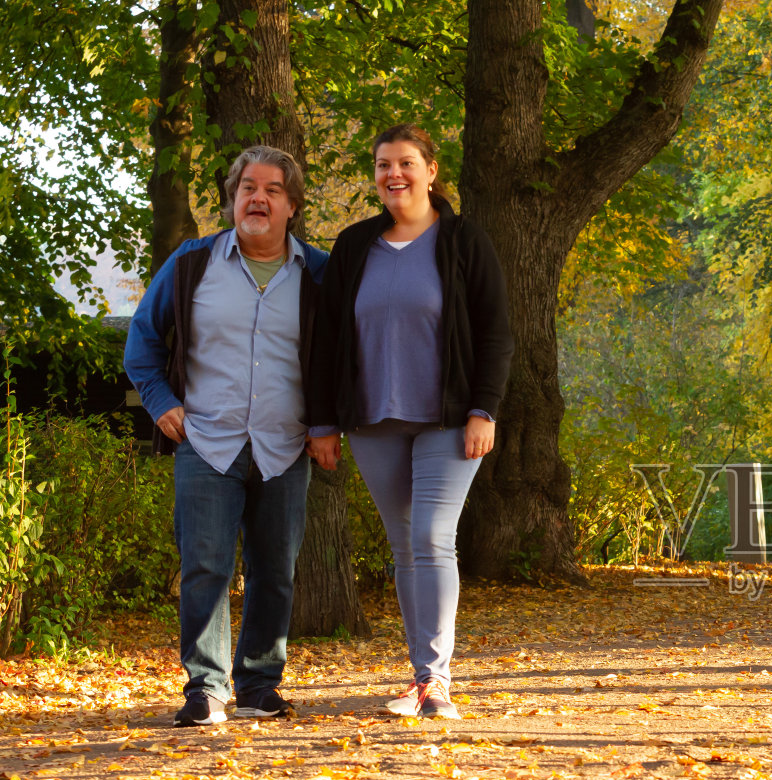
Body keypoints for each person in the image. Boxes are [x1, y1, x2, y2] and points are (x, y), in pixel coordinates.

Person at [125, 145, 337, 727]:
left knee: (275, 569)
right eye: (248, 188)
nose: (258, 198)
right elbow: (141, 339)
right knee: (205, 566)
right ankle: (206, 688)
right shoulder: (193, 263)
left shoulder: (319, 273)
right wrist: (162, 403)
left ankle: (258, 685)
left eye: (271, 190)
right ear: (232, 198)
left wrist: (325, 424)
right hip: (207, 442)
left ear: (292, 205)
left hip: (285, 444)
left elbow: (340, 357)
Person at [307, 124, 513, 719]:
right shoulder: (353, 247)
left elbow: (496, 333)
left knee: (430, 538)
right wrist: (322, 421)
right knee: (404, 547)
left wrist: (485, 409)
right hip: (372, 419)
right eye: (382, 165)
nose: (393, 174)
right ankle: (421, 676)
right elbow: (326, 342)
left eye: (404, 163)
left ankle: (434, 679)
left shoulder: (464, 242)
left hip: (449, 419)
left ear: (430, 170)